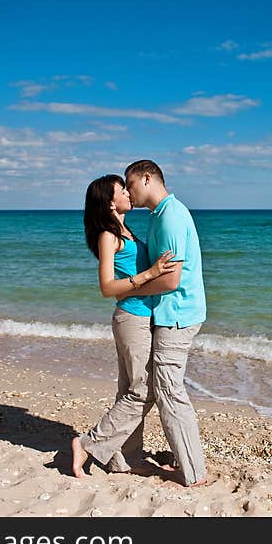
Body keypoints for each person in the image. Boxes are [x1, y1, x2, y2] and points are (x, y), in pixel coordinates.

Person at [71, 174, 179, 478]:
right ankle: (87, 444)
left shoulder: (126, 230)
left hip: (141, 317)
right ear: (109, 202)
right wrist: (150, 274)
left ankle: (126, 458)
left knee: (128, 391)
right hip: (131, 319)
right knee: (143, 392)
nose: (129, 195)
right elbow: (107, 286)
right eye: (123, 191)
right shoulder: (109, 235)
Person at [121, 159, 208, 487]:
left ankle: (194, 472)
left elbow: (170, 280)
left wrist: (133, 285)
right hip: (169, 313)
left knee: (169, 389)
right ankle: (173, 456)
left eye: (130, 184)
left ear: (147, 178)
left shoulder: (170, 215)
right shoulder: (159, 215)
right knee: (162, 387)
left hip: (178, 314)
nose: (129, 192)